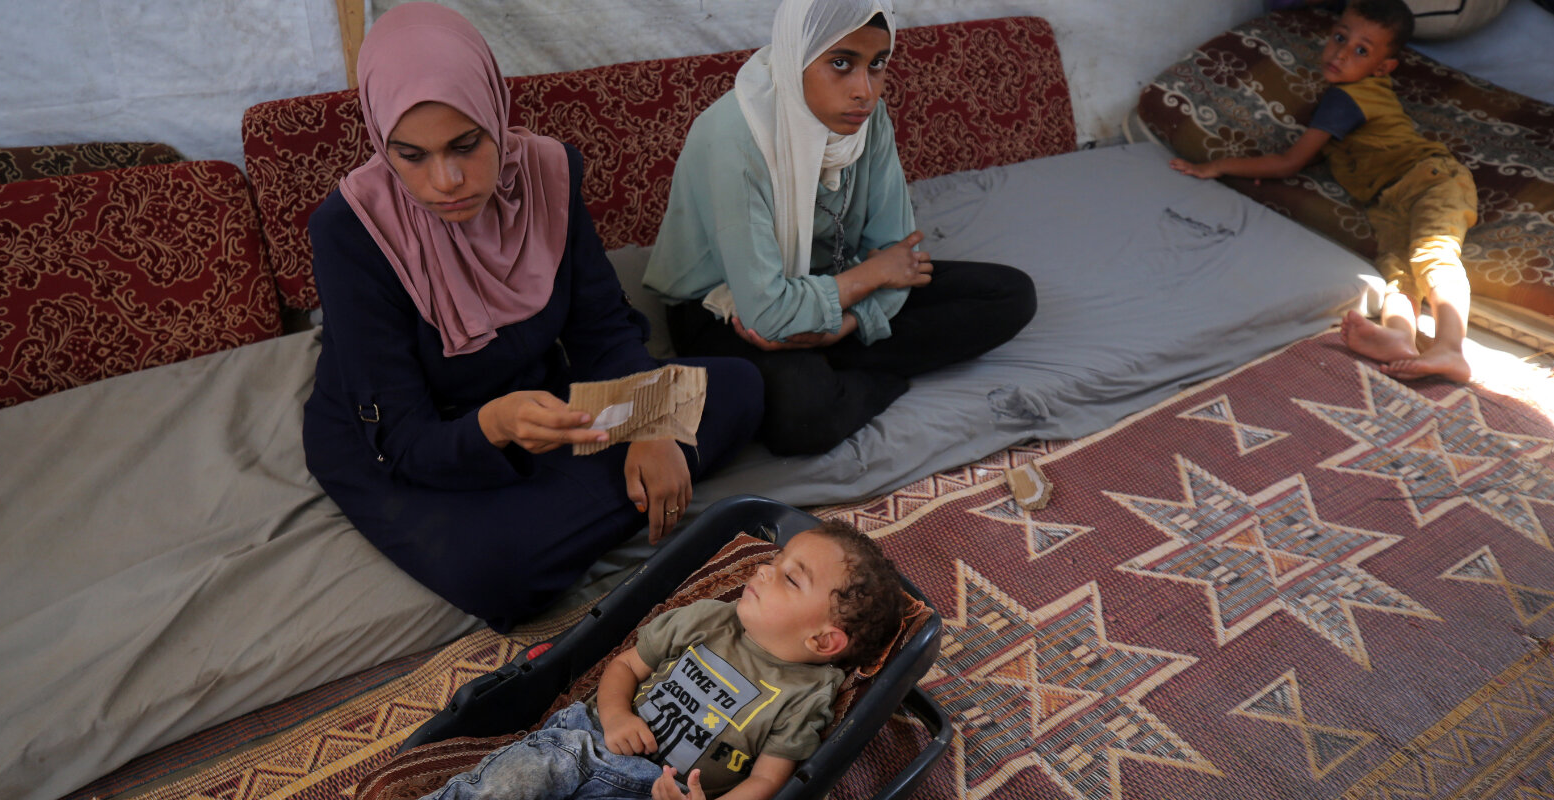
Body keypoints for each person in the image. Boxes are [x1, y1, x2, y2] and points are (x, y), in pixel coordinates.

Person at [302, 3, 762, 633]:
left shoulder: (549, 174)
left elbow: (602, 329)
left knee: (737, 388)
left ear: (496, 112)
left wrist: (652, 423)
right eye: (411, 156)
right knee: (500, 574)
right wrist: (494, 424)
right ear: (382, 143)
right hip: (409, 438)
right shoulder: (350, 231)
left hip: (539, 401)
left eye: (467, 144)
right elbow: (403, 437)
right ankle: (577, 500)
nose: (448, 180)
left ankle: (576, 495)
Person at [642, 0, 1038, 456]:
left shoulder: (869, 121)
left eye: (877, 65)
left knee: (1010, 295)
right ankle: (878, 372)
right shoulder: (734, 139)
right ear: (797, 56)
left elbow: (898, 252)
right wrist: (871, 277)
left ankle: (827, 356)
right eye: (842, 64)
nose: (864, 91)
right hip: (726, 307)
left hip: (834, 286)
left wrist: (846, 323)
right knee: (804, 417)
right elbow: (767, 315)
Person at [418, 520, 907, 800]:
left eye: (790, 578)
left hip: (661, 793)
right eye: (775, 561)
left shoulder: (805, 696)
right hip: (588, 745)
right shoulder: (707, 620)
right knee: (526, 775)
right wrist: (615, 715)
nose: (763, 568)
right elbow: (625, 667)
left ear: (824, 642)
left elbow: (765, 781)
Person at [1170, 0, 1478, 383]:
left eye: (1361, 50)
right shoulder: (1359, 93)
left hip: (1433, 181)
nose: (1341, 53)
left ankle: (1452, 348)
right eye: (1339, 37)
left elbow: (1289, 162)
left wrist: (1215, 166)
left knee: (1432, 257)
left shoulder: (1344, 99)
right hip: (1388, 198)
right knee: (1397, 272)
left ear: (1383, 68)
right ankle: (1400, 336)